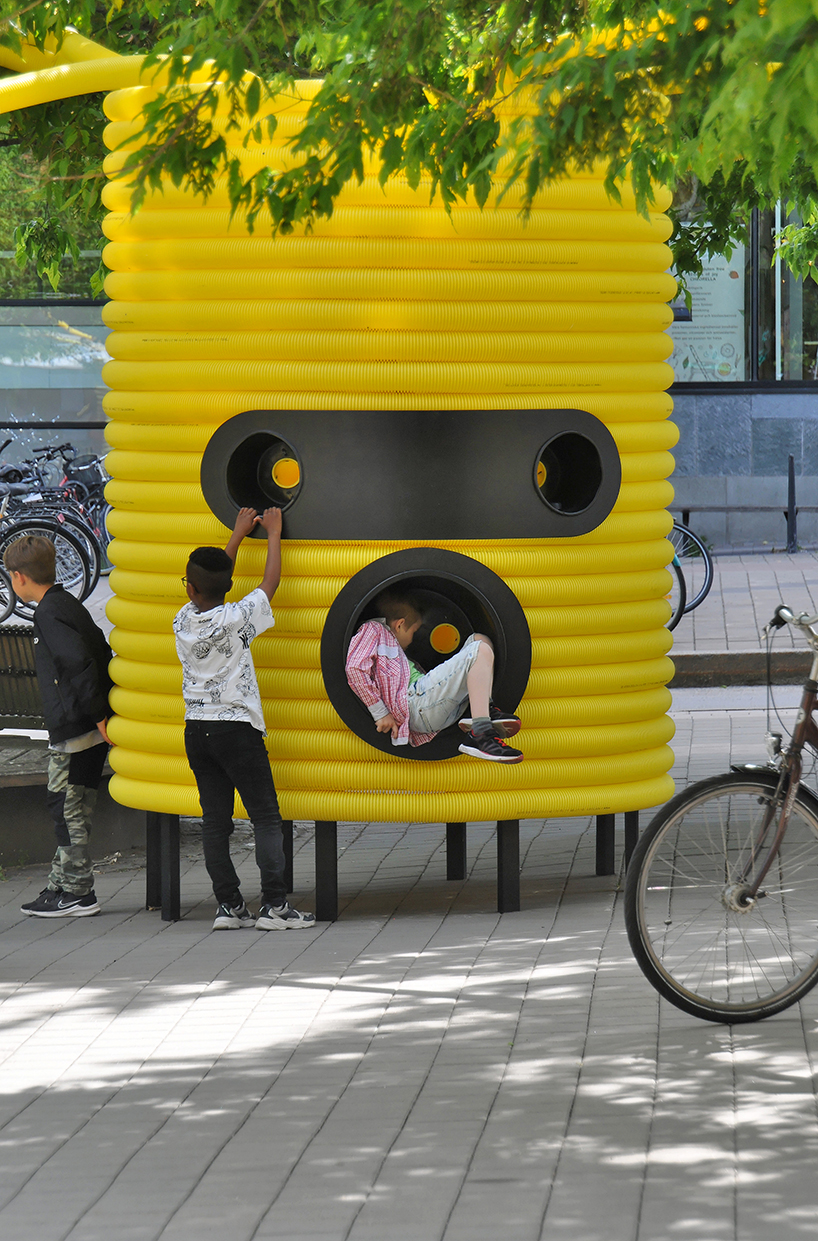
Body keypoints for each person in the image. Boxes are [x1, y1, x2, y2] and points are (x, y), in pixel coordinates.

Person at [173, 506, 316, 932]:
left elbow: (211, 580)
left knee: (215, 821)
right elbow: (268, 585)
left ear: (190, 587)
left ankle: (229, 906)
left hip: (196, 730)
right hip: (237, 729)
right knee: (266, 817)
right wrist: (273, 534)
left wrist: (235, 536)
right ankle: (274, 906)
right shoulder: (237, 618)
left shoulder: (182, 620)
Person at [4, 536, 112, 917]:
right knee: (73, 805)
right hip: (87, 722)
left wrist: (99, 716)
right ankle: (61, 883)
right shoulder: (66, 603)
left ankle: (79, 892)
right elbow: (99, 648)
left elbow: (78, 663)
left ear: (19, 577)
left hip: (76, 725)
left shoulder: (48, 613)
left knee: (66, 807)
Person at [345, 590, 524, 762]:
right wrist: (380, 713)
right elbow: (355, 668)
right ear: (399, 625)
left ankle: (483, 711)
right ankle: (481, 734)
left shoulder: (400, 655)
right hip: (416, 705)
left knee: (479, 640)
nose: (414, 639)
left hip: (432, 706)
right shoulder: (373, 630)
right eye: (413, 631)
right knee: (480, 650)